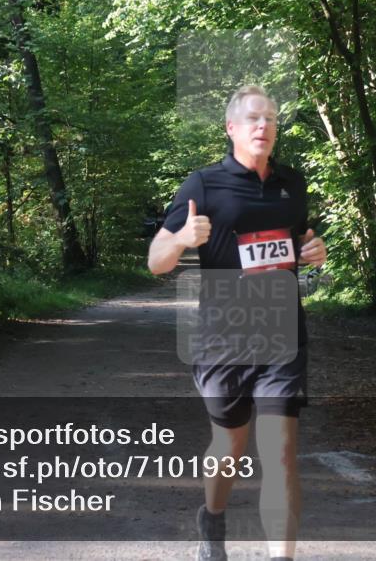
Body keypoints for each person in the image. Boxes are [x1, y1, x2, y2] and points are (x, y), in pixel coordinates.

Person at [147, 85, 327, 561]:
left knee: (281, 453)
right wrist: (183, 238)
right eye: (252, 119)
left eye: (269, 118)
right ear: (232, 128)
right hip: (222, 337)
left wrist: (315, 252)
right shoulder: (203, 185)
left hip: (281, 333)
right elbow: (156, 262)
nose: (263, 126)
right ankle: (212, 517)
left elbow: (300, 243)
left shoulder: (293, 183)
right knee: (230, 447)